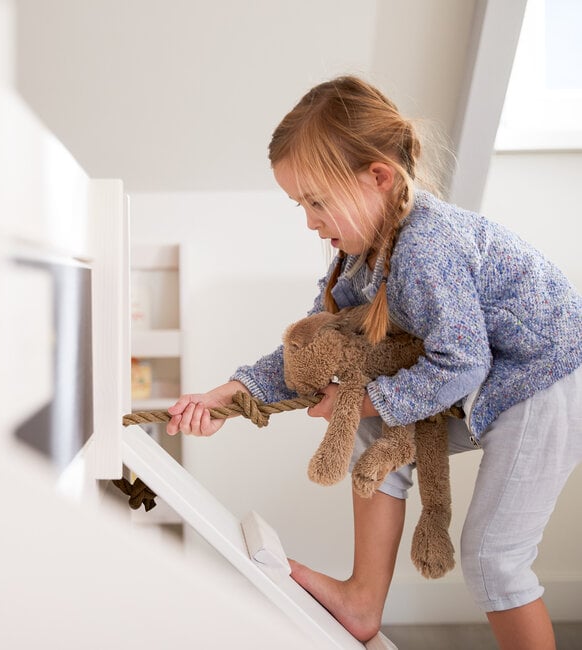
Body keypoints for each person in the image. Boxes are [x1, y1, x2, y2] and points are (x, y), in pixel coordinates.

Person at [165, 76, 582, 649]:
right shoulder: (359, 261)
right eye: (300, 204)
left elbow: (460, 362)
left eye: (317, 201)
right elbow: (311, 348)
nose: (310, 220)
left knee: (493, 560)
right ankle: (363, 599)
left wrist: (359, 398)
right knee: (372, 424)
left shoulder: (426, 248)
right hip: (496, 379)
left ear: (378, 178)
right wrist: (232, 394)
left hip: (545, 379)